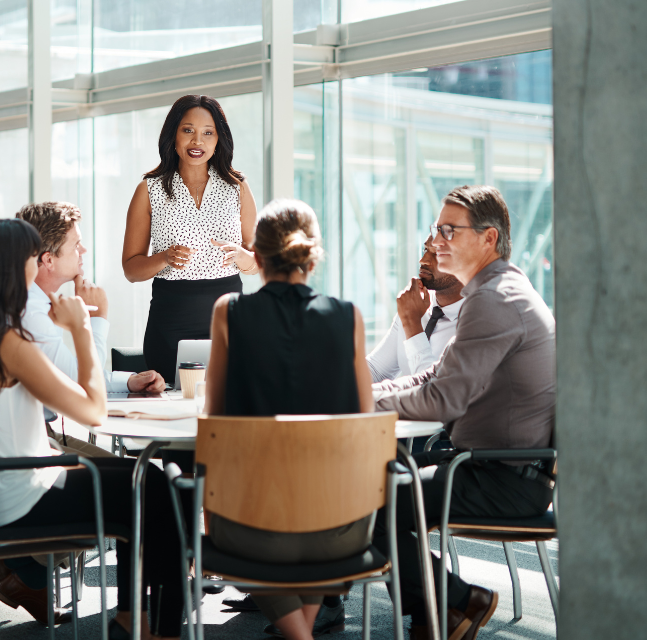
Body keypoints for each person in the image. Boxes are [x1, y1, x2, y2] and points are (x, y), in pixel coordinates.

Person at [0, 219, 184, 640]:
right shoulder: (6, 341)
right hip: (20, 496)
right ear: (16, 268)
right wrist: (83, 329)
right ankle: (160, 629)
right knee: (152, 487)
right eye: (33, 259)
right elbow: (91, 411)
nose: (38, 268)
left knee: (136, 483)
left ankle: (132, 617)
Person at [371, 186, 555, 640]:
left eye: (450, 230)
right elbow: (432, 376)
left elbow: (441, 401)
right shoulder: (493, 291)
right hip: (493, 467)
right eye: (437, 229)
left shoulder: (494, 300)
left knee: (368, 502)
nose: (437, 241)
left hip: (503, 477)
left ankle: (455, 603)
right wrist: (362, 394)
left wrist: (362, 401)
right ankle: (445, 611)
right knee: (375, 478)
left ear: (489, 239)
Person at [203, 199, 375, 640]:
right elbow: (364, 422)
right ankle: (303, 630)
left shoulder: (229, 311)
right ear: (312, 255)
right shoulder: (348, 316)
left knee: (240, 513)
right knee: (314, 512)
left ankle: (299, 635)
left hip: (250, 525)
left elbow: (215, 421)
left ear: (255, 257)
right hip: (341, 527)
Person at [123, 94, 260, 384]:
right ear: (173, 136)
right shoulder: (149, 190)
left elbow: (259, 261)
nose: (198, 141)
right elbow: (131, 269)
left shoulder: (238, 187)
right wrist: (163, 258)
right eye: (188, 131)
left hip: (229, 316)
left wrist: (241, 256)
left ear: (218, 139)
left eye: (208, 133)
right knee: (171, 398)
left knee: (229, 399)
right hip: (170, 318)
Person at [16, 201, 167, 450]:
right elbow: (85, 387)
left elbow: (74, 374)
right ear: (49, 260)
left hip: (36, 441)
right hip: (32, 455)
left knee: (141, 473)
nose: (83, 250)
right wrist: (95, 321)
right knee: (146, 477)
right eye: (76, 245)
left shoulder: (35, 303)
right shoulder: (31, 313)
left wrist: (129, 382)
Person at [367, 235, 465, 382]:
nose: (423, 260)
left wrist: (412, 323)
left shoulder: (475, 321)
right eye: (425, 249)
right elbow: (376, 370)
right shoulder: (416, 304)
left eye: (437, 254)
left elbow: (436, 394)